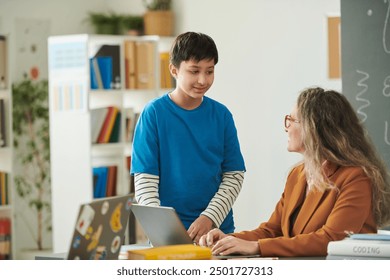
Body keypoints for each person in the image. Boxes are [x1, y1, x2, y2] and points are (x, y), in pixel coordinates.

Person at [199, 87, 390, 257]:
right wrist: (227, 239)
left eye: (291, 120)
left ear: (314, 128)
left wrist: (257, 247)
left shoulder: (356, 177)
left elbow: (331, 239)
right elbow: (271, 230)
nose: (286, 127)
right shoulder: (297, 174)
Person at [131, 32, 246, 243]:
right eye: (194, 71)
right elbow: (145, 182)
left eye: (209, 71)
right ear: (174, 70)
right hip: (168, 236)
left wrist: (209, 218)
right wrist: (163, 232)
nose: (203, 80)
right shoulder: (153, 114)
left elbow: (234, 175)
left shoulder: (222, 115)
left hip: (217, 233)